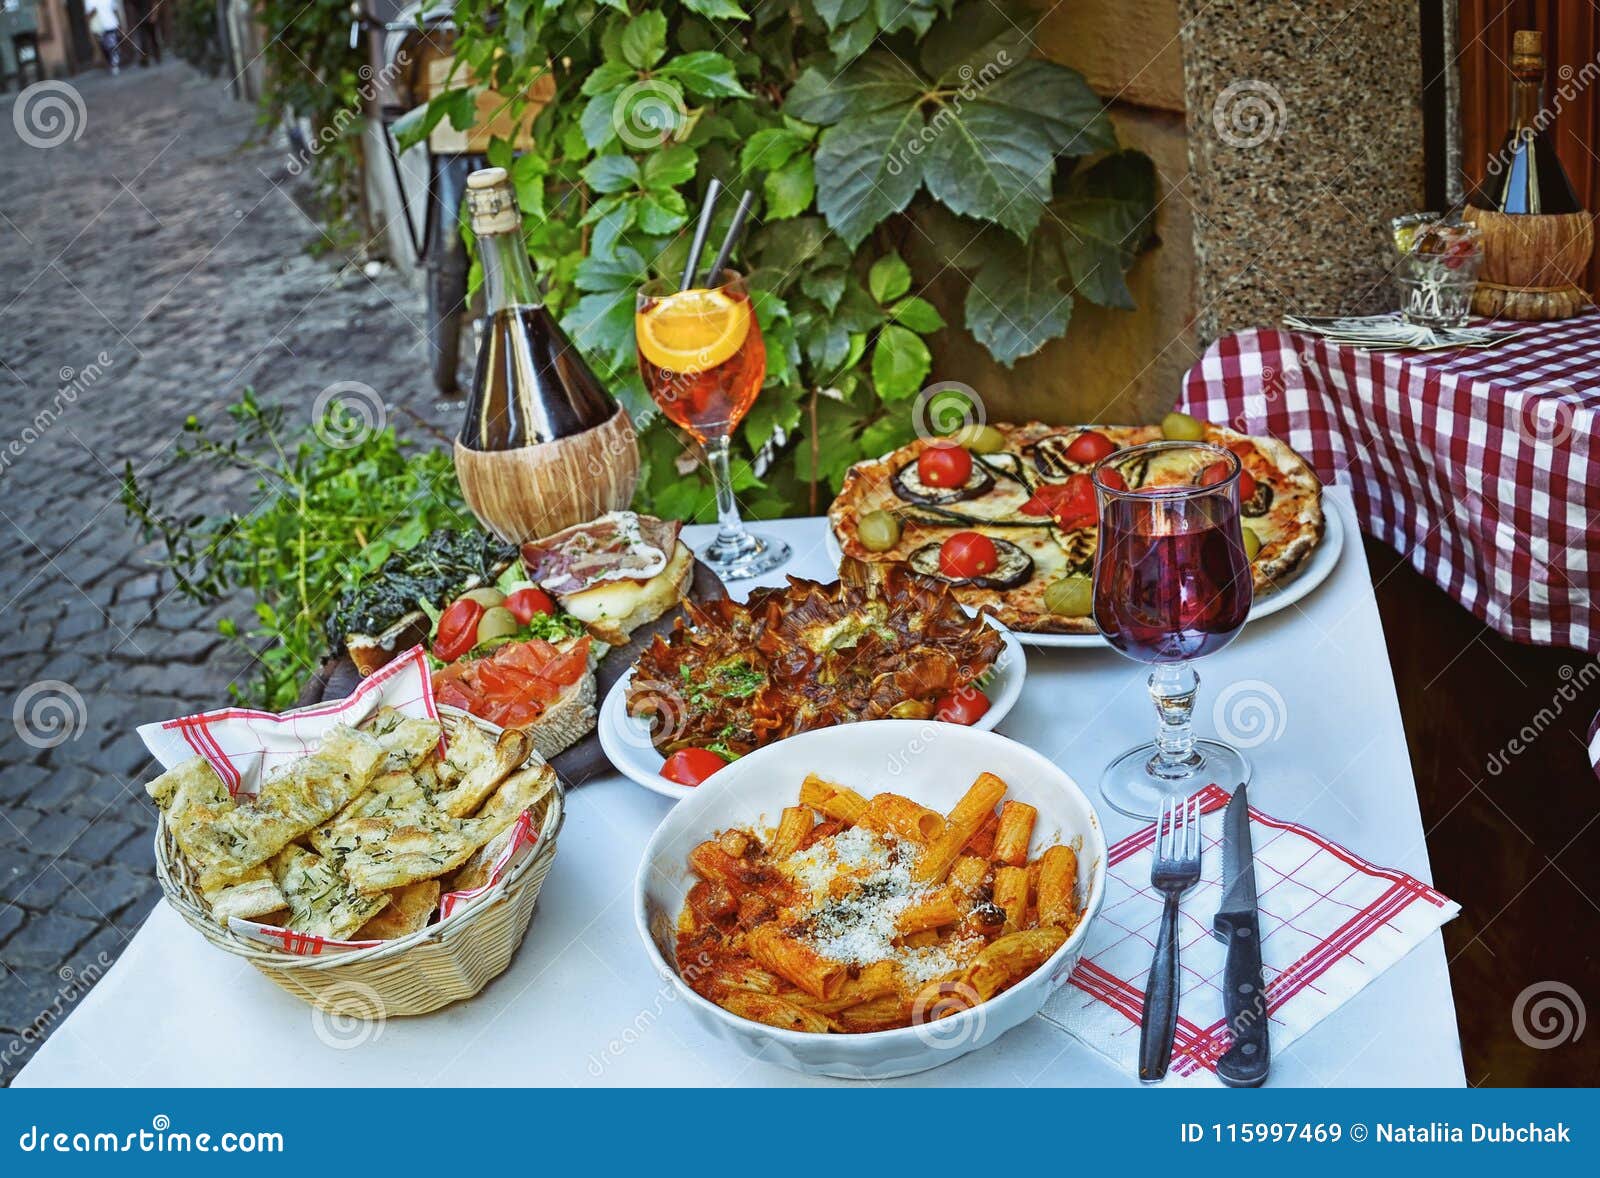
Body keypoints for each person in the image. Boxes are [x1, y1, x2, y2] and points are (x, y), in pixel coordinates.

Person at [85, 0, 125, 75]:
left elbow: (115, 9)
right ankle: (110, 63)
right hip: (99, 28)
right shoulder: (89, 1)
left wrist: (120, 24)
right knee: (104, 47)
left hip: (111, 24)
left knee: (112, 45)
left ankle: (114, 64)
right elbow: (88, 15)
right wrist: (93, 13)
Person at [123, 0, 163, 66]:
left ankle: (157, 56)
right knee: (143, 40)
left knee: (153, 38)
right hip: (140, 19)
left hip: (150, 18)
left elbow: (155, 3)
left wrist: (154, 15)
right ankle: (145, 59)